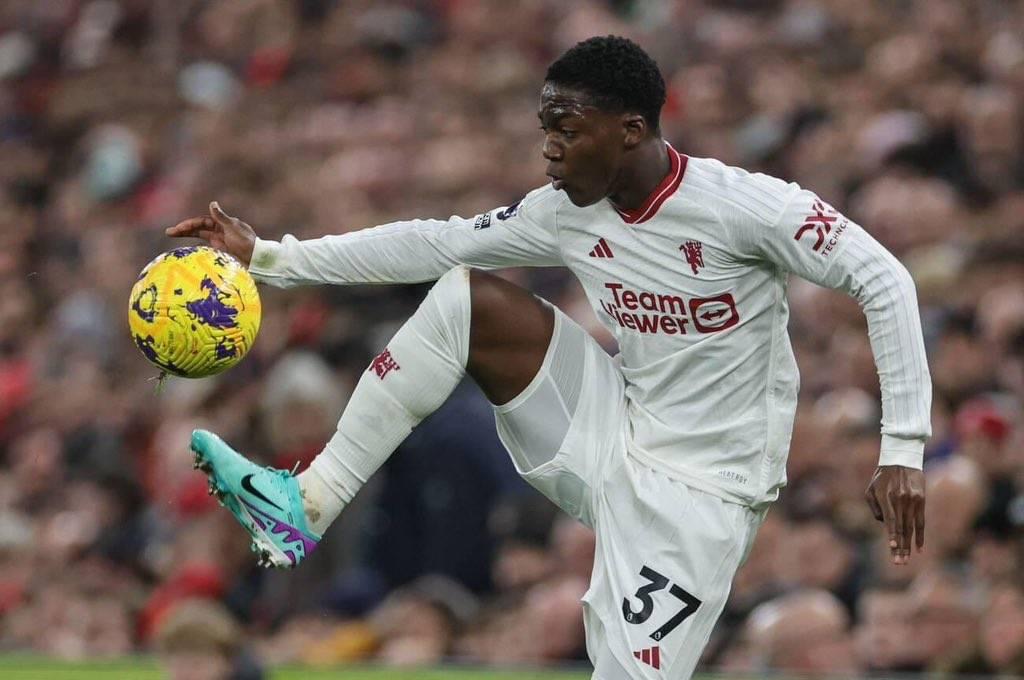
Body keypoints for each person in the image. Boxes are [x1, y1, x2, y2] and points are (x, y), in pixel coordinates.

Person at [168, 36, 930, 680]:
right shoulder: (567, 213)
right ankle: (307, 504)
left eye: (567, 127)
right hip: (613, 429)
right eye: (545, 126)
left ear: (630, 130)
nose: (550, 146)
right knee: (465, 296)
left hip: (705, 494)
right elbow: (435, 241)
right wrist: (272, 257)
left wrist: (901, 447)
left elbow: (884, 278)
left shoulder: (745, 207)